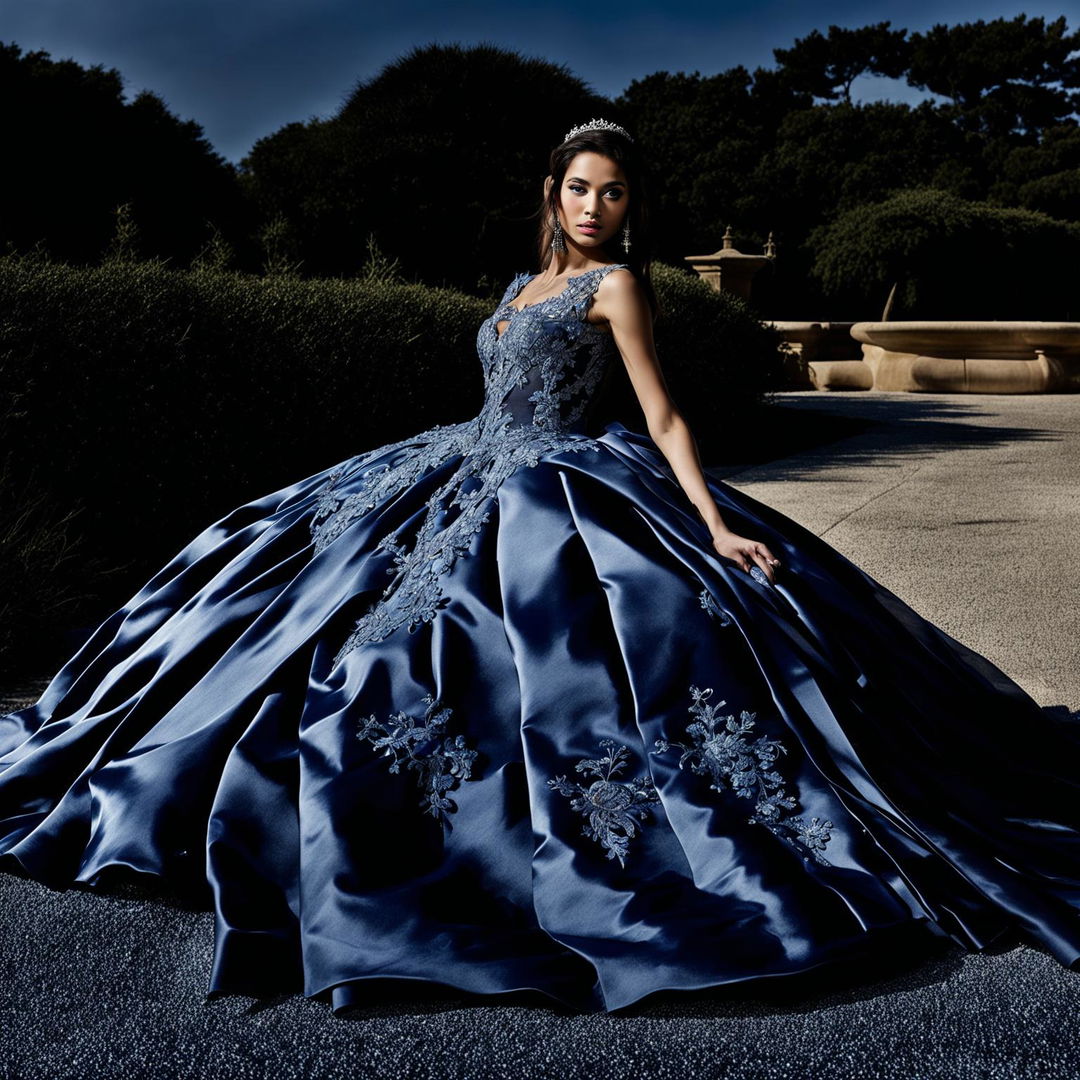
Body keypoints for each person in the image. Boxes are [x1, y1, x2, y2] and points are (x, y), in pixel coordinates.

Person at [1, 118, 1078, 1016]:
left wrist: (710, 520)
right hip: (459, 459)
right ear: (552, 193)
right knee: (299, 595)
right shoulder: (521, 282)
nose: (595, 208)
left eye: (613, 194)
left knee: (542, 657)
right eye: (580, 189)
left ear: (628, 207)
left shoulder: (615, 288)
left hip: (561, 479)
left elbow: (658, 410)